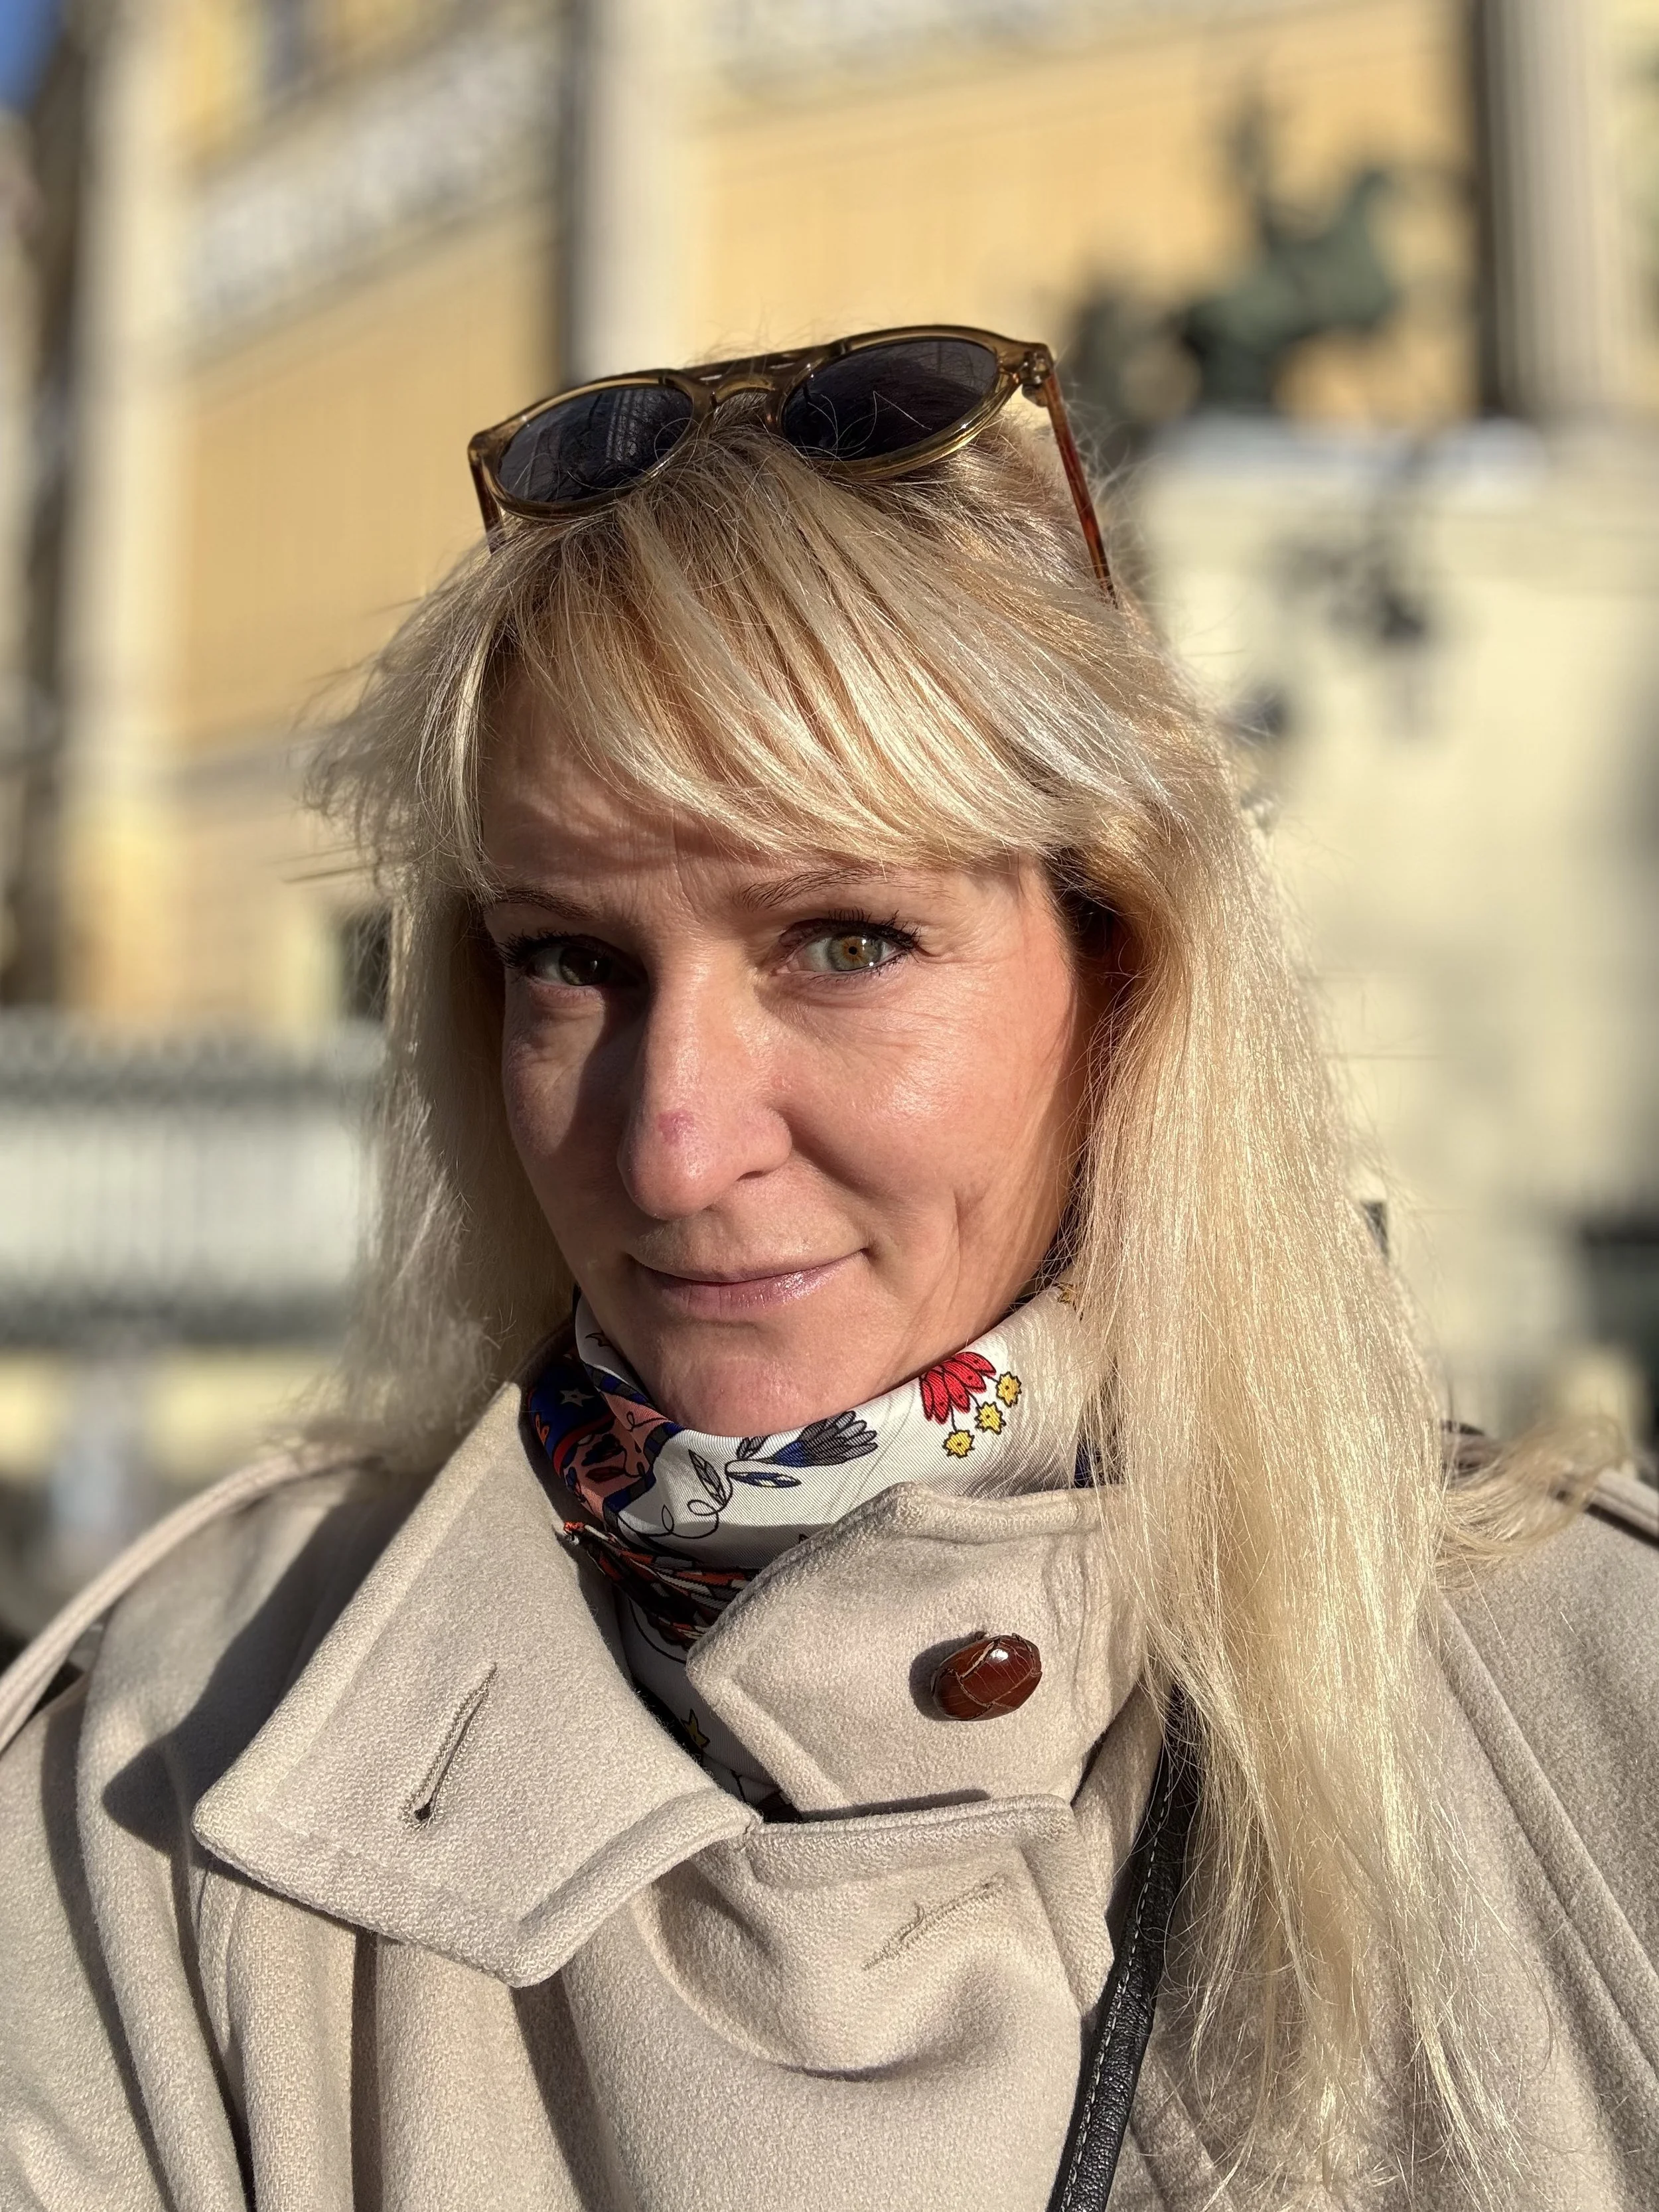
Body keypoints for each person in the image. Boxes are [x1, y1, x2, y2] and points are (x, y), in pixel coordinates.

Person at [0, 327, 1653, 2211]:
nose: (670, 1145)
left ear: (1119, 967)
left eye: (843, 940)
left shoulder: (1583, 1711)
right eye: (572, 961)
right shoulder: (170, 1769)